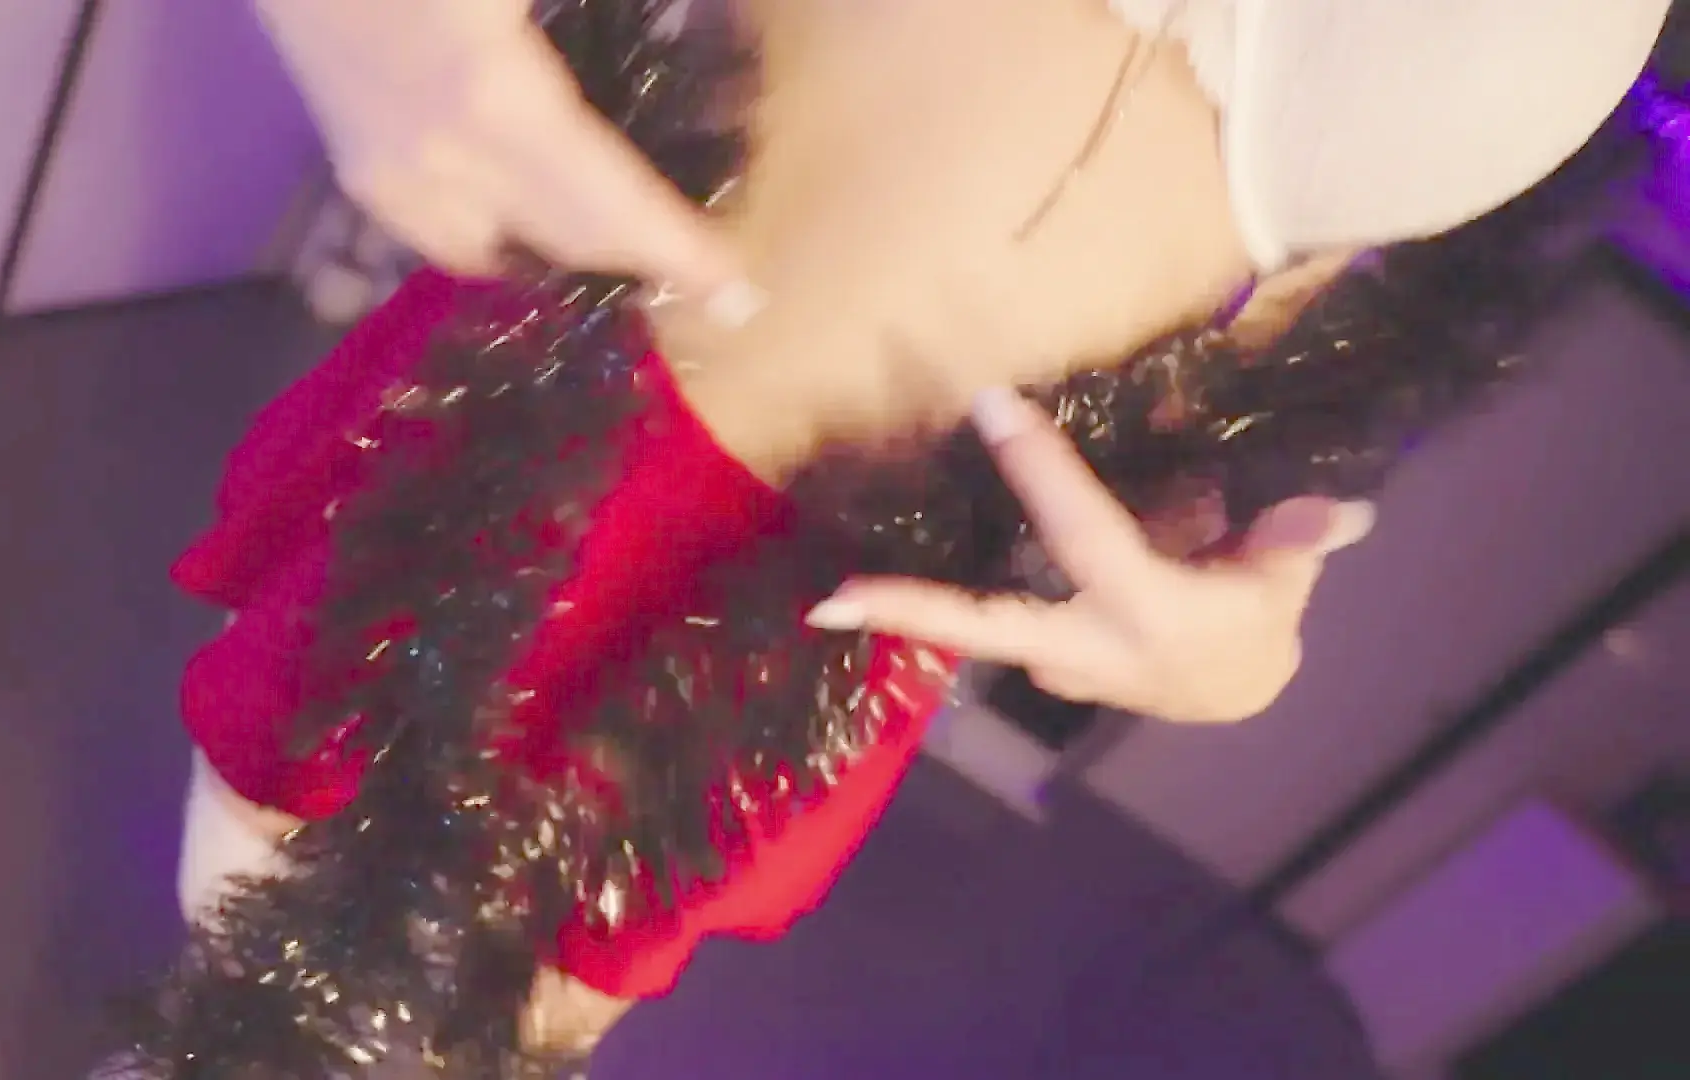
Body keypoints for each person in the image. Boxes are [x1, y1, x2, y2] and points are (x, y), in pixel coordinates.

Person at [118, 1, 1668, 1077]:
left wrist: (1237, 625)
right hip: (557, 406)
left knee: (467, 1035)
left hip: (813, 634)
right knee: (256, 942)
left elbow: (1313, 331)